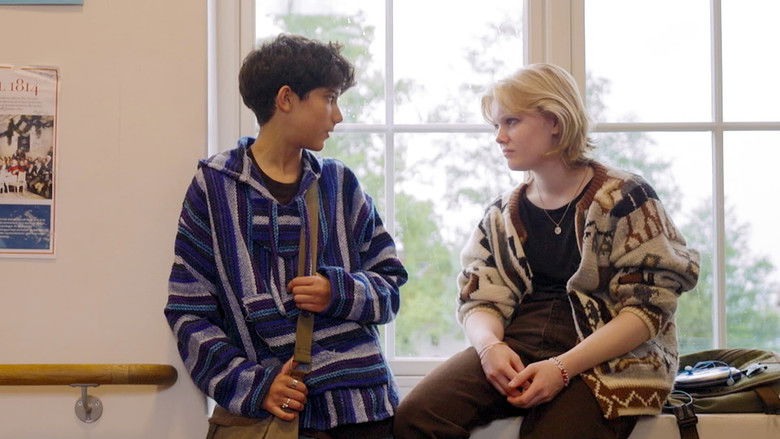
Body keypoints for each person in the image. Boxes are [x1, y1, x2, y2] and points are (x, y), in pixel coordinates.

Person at [393, 63, 699, 438]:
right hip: (521, 342)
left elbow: (649, 308)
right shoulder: (501, 214)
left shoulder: (627, 198)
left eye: (511, 122)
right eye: (496, 125)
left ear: (555, 121)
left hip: (610, 358)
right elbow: (479, 298)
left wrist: (562, 368)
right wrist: (490, 348)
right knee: (416, 417)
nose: (499, 137)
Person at [165, 34, 407, 439]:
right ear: (286, 98)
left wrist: (337, 291)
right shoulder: (215, 187)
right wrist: (255, 386)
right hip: (277, 418)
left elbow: (391, 286)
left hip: (364, 413)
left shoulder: (340, 184)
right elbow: (188, 310)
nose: (338, 115)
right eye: (329, 98)